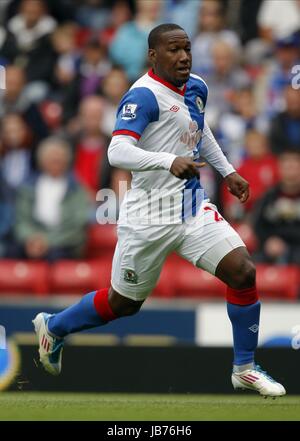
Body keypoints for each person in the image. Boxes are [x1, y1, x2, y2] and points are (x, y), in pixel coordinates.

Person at [33, 23, 285, 397]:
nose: (183, 56)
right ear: (153, 55)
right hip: (148, 216)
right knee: (124, 304)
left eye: (187, 49)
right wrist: (167, 161)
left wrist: (227, 170)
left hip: (190, 207)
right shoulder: (143, 96)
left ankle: (244, 367)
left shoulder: (197, 86)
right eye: (173, 50)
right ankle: (55, 326)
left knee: (243, 272)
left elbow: (199, 130)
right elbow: (116, 150)